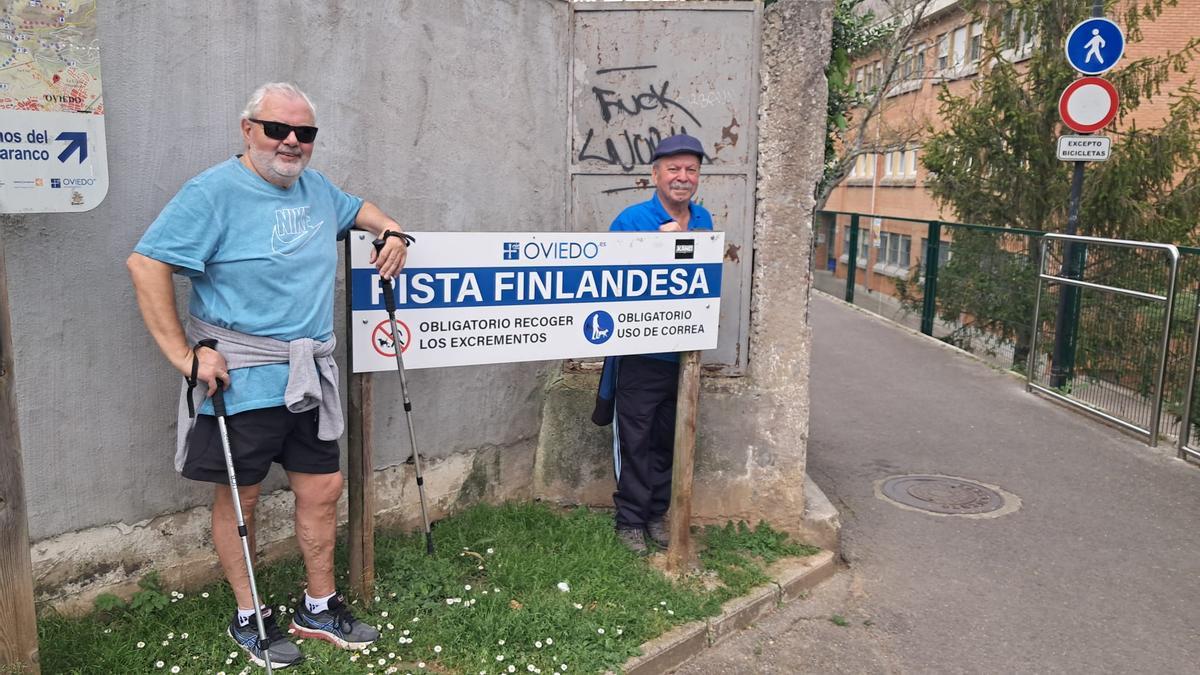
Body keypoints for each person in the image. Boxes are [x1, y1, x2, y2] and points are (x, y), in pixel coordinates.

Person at [127, 82, 409, 668]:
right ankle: (248, 615)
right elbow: (146, 263)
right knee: (242, 499)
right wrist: (185, 356)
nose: (291, 143)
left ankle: (319, 605)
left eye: (304, 134)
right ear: (247, 128)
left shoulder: (316, 189)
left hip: (308, 374)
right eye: (277, 129)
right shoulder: (212, 193)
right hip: (242, 375)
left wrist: (391, 231)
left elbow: (358, 208)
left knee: (323, 489)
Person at [596, 133, 713, 554]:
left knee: (669, 438)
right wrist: (659, 251)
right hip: (639, 355)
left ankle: (656, 516)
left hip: (682, 357)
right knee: (635, 440)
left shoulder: (703, 221)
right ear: (656, 174)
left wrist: (685, 244)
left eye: (691, 170)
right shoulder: (631, 221)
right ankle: (629, 520)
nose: (682, 177)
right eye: (674, 169)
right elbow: (605, 281)